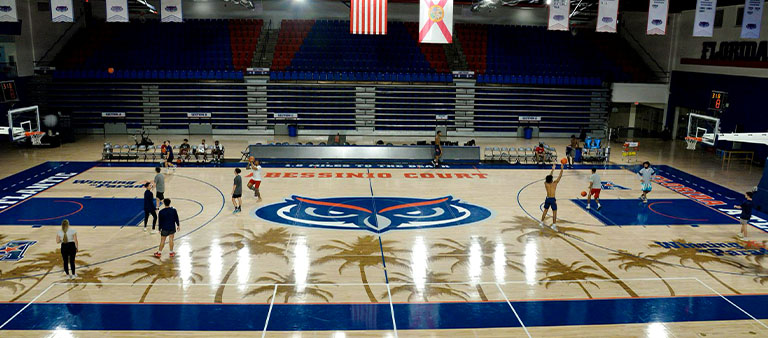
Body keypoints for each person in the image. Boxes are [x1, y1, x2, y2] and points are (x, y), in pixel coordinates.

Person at [541, 163, 564, 230]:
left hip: (547, 198)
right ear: (551, 179)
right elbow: (560, 176)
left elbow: (549, 177)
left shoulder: (545, 184)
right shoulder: (555, 183)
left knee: (545, 210)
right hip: (552, 199)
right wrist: (561, 169)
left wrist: (552, 169)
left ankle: (541, 222)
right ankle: (554, 225)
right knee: (554, 212)